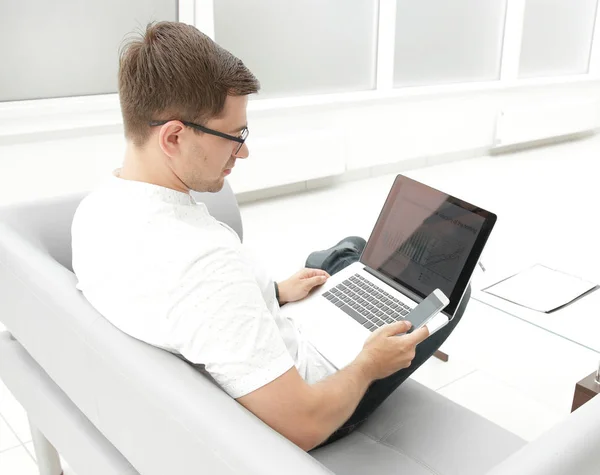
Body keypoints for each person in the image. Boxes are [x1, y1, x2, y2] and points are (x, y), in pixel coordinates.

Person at [71, 21, 469, 452]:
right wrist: (369, 365)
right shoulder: (205, 264)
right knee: (451, 291)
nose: (243, 152)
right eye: (233, 136)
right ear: (173, 137)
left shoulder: (97, 209)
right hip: (322, 394)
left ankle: (346, 286)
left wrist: (273, 293)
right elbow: (306, 423)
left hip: (258, 341)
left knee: (349, 253)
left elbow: (191, 308)